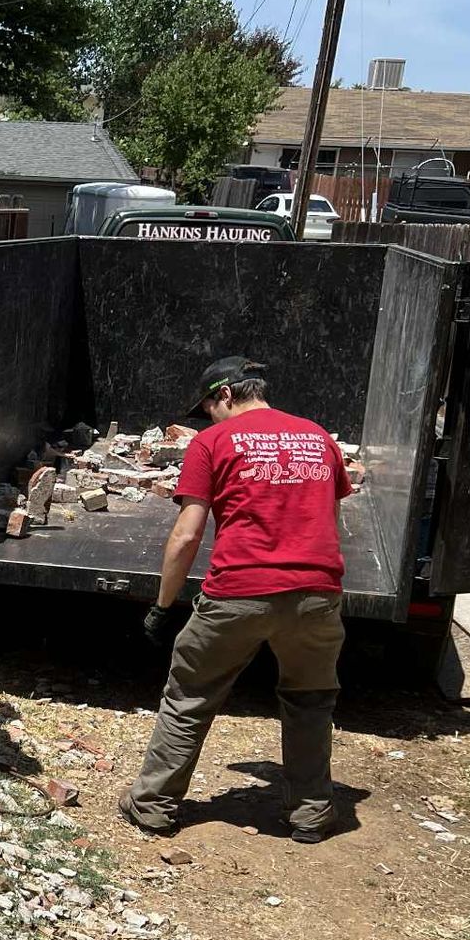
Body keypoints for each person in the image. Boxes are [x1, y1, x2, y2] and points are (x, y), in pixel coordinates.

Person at [120, 356, 359, 843]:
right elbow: (328, 520)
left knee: (189, 696)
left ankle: (153, 804)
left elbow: (186, 537)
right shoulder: (318, 437)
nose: (208, 417)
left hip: (239, 591)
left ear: (225, 394)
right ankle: (311, 811)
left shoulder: (213, 443)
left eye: (208, 406)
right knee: (310, 701)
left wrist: (163, 607)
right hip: (316, 594)